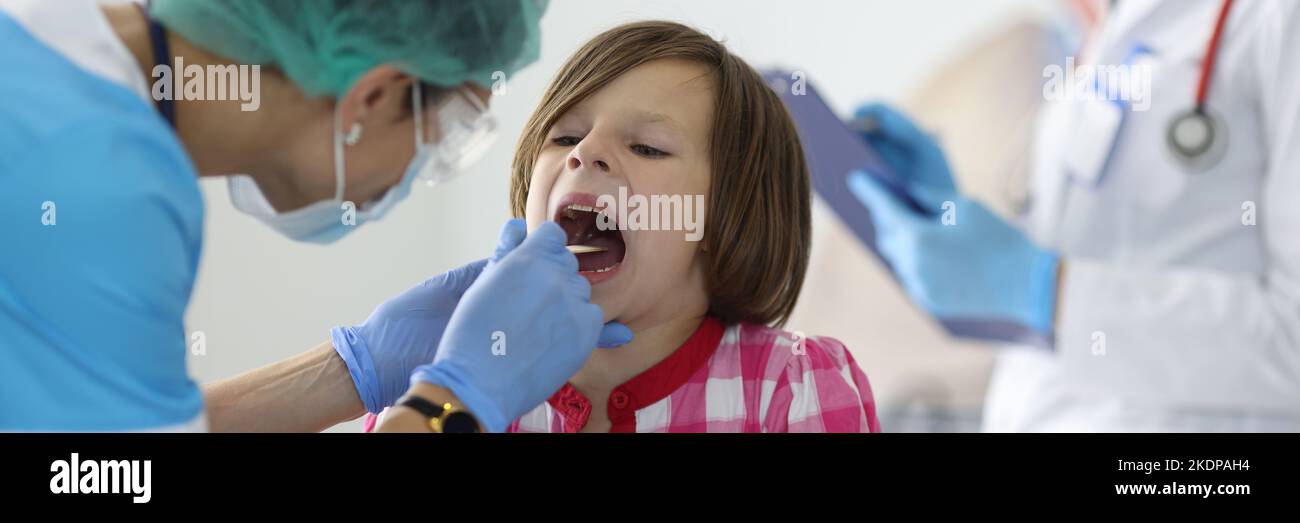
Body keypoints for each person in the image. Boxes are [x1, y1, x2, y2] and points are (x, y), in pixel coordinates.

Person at [0, 0, 629, 432]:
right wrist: (453, 404)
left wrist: (351, 369)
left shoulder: (52, 50)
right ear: (374, 96)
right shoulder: (97, 193)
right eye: (446, 132)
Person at [378, 21, 880, 433]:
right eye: (566, 136)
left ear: (726, 215)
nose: (584, 152)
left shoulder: (791, 388)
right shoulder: (437, 388)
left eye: (647, 147)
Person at [848, 0, 1300, 431]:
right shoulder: (1111, 33)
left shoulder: (1275, 18)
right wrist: (947, 212)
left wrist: (1041, 289)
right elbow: (1107, 260)